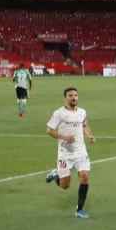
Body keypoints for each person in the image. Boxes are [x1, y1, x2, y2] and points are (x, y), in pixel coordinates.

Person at [44, 87, 96, 219]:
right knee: (65, 186)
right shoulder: (59, 113)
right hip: (65, 154)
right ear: (65, 98)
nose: (74, 98)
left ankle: (79, 209)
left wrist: (90, 135)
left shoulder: (82, 112)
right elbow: (49, 130)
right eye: (70, 95)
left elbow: (85, 125)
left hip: (80, 152)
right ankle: (56, 174)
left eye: (76, 95)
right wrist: (64, 137)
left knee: (84, 177)